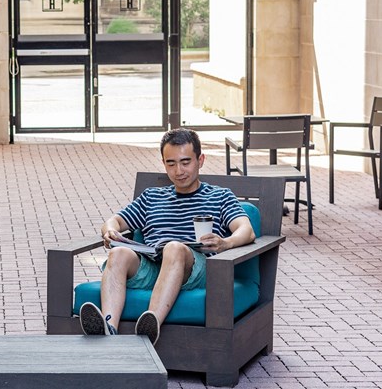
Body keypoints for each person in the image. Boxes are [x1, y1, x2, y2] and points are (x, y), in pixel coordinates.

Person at [79, 128, 255, 345]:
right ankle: (109, 328)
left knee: (174, 248)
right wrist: (109, 231)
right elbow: (114, 221)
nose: (179, 171)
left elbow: (246, 230)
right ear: (163, 163)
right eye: (170, 163)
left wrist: (225, 243)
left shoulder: (219, 196)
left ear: (200, 160)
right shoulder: (152, 197)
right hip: (153, 267)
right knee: (118, 253)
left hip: (194, 269)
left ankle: (149, 329)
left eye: (185, 162)